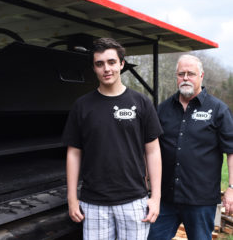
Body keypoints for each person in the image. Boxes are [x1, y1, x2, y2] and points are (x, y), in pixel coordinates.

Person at [62, 37, 163, 240]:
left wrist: (156, 197)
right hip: (94, 203)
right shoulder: (82, 106)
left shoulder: (141, 102)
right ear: (93, 68)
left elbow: (153, 151)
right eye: (99, 64)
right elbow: (73, 153)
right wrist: (72, 198)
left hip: (134, 200)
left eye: (111, 62)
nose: (106, 69)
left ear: (122, 64)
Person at [148, 54, 233, 240]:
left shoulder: (218, 110)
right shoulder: (162, 109)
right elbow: (151, 149)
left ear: (201, 76)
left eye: (191, 74)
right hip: (165, 199)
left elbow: (231, 151)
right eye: (181, 74)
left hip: (201, 201)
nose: (185, 78)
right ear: (176, 77)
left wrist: (231, 188)